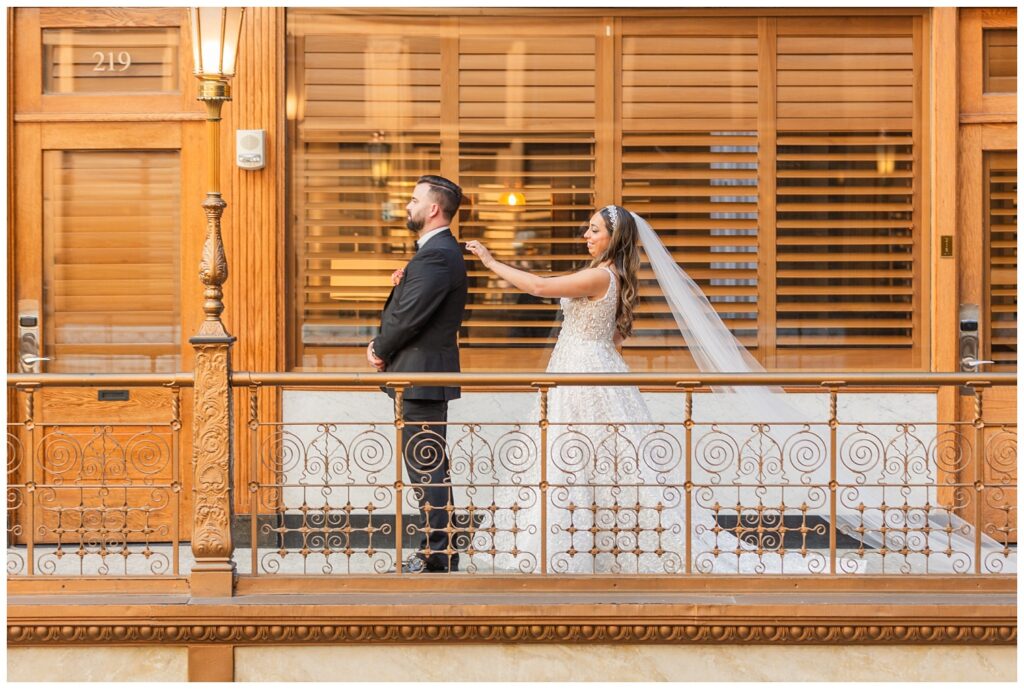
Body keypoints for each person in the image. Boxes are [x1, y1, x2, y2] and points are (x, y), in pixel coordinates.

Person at [465, 205, 823, 574]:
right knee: (586, 459)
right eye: (586, 230)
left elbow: (539, 286)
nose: (585, 236)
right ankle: (585, 539)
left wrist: (490, 262)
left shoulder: (601, 277)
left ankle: (580, 541)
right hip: (589, 366)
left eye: (593, 231)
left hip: (585, 374)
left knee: (578, 455)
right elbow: (614, 334)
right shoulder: (609, 275)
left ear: (613, 238)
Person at [368, 175, 467, 574]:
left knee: (427, 468)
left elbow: (410, 318)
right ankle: (438, 550)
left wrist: (379, 347)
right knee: (426, 466)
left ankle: (436, 554)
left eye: (413, 199)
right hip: (419, 377)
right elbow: (415, 305)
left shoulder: (439, 254)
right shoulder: (434, 253)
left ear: (433, 209)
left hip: (422, 379)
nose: (407, 206)